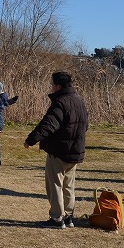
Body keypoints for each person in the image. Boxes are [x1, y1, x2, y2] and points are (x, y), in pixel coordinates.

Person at [24, 72, 89, 229]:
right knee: (69, 186)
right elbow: (85, 125)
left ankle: (56, 218)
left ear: (58, 86)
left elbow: (48, 124)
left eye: (52, 84)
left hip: (59, 151)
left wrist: (31, 140)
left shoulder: (60, 102)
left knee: (55, 185)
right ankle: (68, 217)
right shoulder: (79, 100)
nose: (51, 87)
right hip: (75, 151)